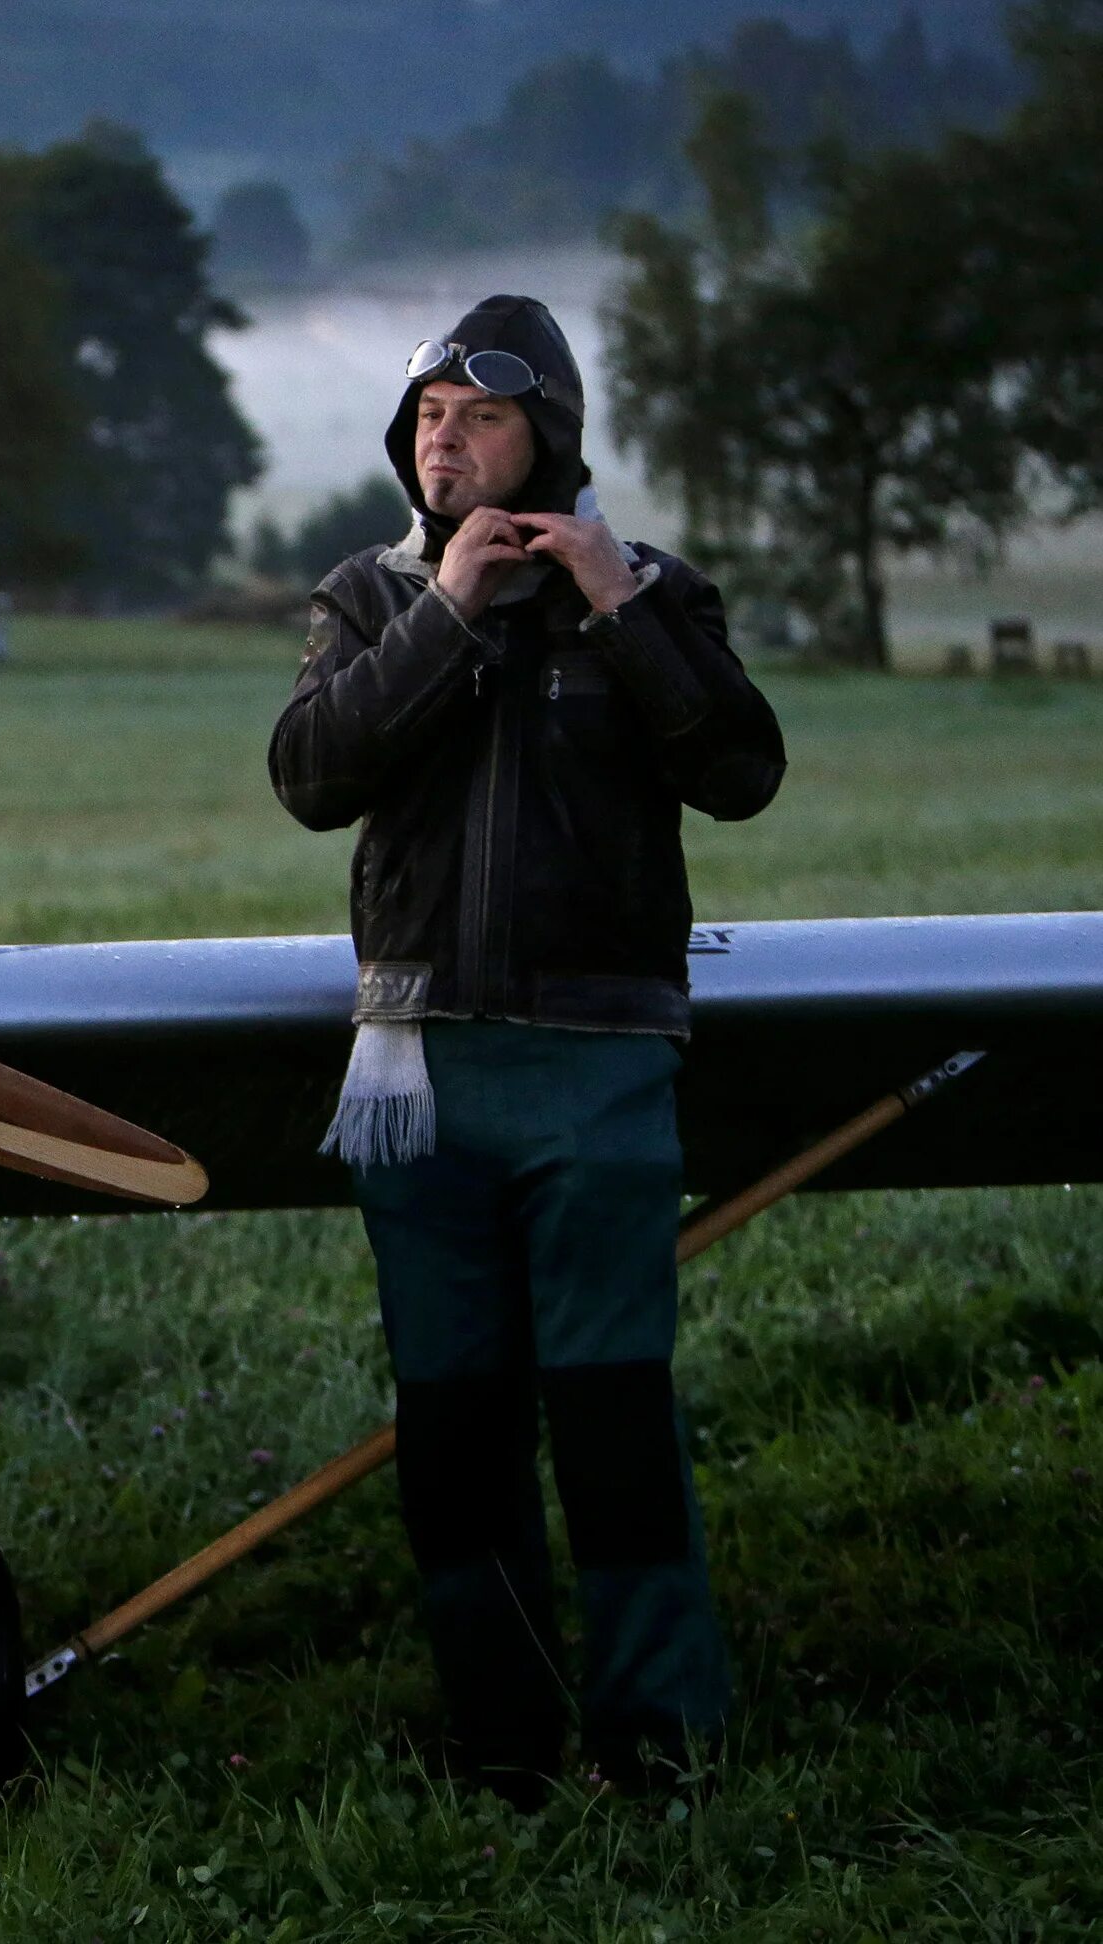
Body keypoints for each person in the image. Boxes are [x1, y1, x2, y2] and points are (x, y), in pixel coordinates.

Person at [266, 295, 786, 1804]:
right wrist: (450, 615)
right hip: (412, 1067)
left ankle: (659, 1737)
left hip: (599, 1062)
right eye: (427, 416)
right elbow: (310, 776)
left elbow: (741, 773)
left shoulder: (657, 591)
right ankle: (500, 1738)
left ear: (545, 437)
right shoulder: (368, 597)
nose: (445, 439)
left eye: (478, 417)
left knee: (615, 1410)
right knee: (454, 1421)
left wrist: (620, 608)